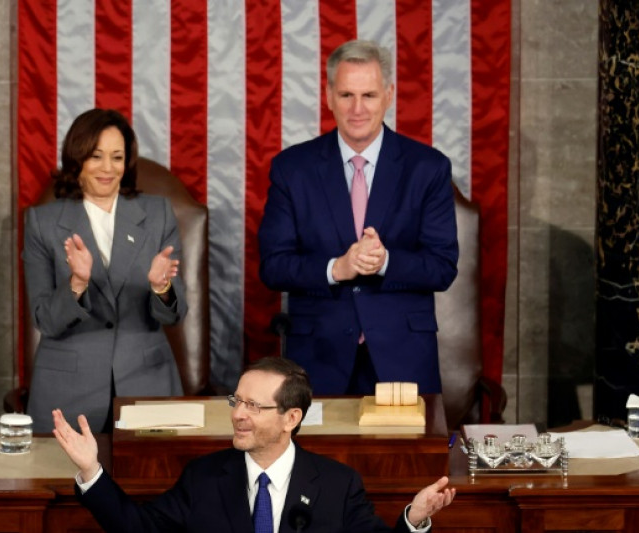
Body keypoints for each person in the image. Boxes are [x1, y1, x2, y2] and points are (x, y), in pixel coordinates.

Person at [258, 40, 458, 396]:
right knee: (318, 454)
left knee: (403, 454)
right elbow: (274, 266)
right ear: (329, 95)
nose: (357, 108)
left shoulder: (428, 168)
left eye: (369, 95)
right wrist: (337, 268)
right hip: (318, 357)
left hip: (402, 357)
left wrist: (385, 262)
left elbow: (442, 266)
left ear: (389, 95)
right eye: (347, 94)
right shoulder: (292, 169)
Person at [53, 357, 455, 532]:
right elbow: (137, 528)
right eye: (237, 401)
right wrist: (91, 470)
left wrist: (413, 519)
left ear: (290, 419)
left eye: (254, 407)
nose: (238, 414)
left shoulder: (337, 484)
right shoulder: (204, 477)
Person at [23, 108, 187, 433]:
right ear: (77, 158)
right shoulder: (42, 223)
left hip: (146, 384)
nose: (108, 168)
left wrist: (161, 288)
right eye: (96, 156)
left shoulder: (157, 215)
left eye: (117, 157)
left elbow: (174, 315)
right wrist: (76, 283)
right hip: (67, 391)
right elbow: (46, 320)